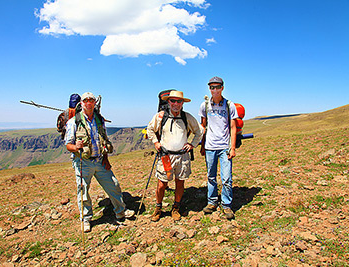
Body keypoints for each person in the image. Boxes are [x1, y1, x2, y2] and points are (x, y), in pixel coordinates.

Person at [65, 92, 135, 232]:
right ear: (82, 103)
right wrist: (76, 147)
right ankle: (85, 219)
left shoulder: (99, 120)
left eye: (91, 100)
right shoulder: (73, 122)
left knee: (113, 184)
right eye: (86, 100)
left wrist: (106, 158)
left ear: (95, 102)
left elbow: (102, 139)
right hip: (83, 162)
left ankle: (120, 211)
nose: (89, 102)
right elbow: (68, 145)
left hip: (99, 160)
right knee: (83, 190)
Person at [147, 90, 203, 222]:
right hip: (166, 156)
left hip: (182, 156)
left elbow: (199, 131)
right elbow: (150, 129)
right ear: (168, 102)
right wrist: (155, 142)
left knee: (180, 182)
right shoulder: (161, 116)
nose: (175, 104)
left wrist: (192, 145)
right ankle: (158, 208)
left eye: (179, 101)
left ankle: (176, 208)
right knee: (161, 184)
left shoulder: (187, 117)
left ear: (182, 103)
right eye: (173, 101)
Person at [199, 76, 238, 220]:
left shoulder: (229, 105)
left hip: (224, 147)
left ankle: (226, 205)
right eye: (212, 87)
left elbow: (233, 127)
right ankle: (212, 202)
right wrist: (202, 145)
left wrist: (232, 147)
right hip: (210, 146)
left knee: (226, 178)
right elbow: (203, 126)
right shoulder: (205, 105)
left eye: (217, 87)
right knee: (211, 176)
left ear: (222, 88)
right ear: (209, 88)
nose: (214, 90)